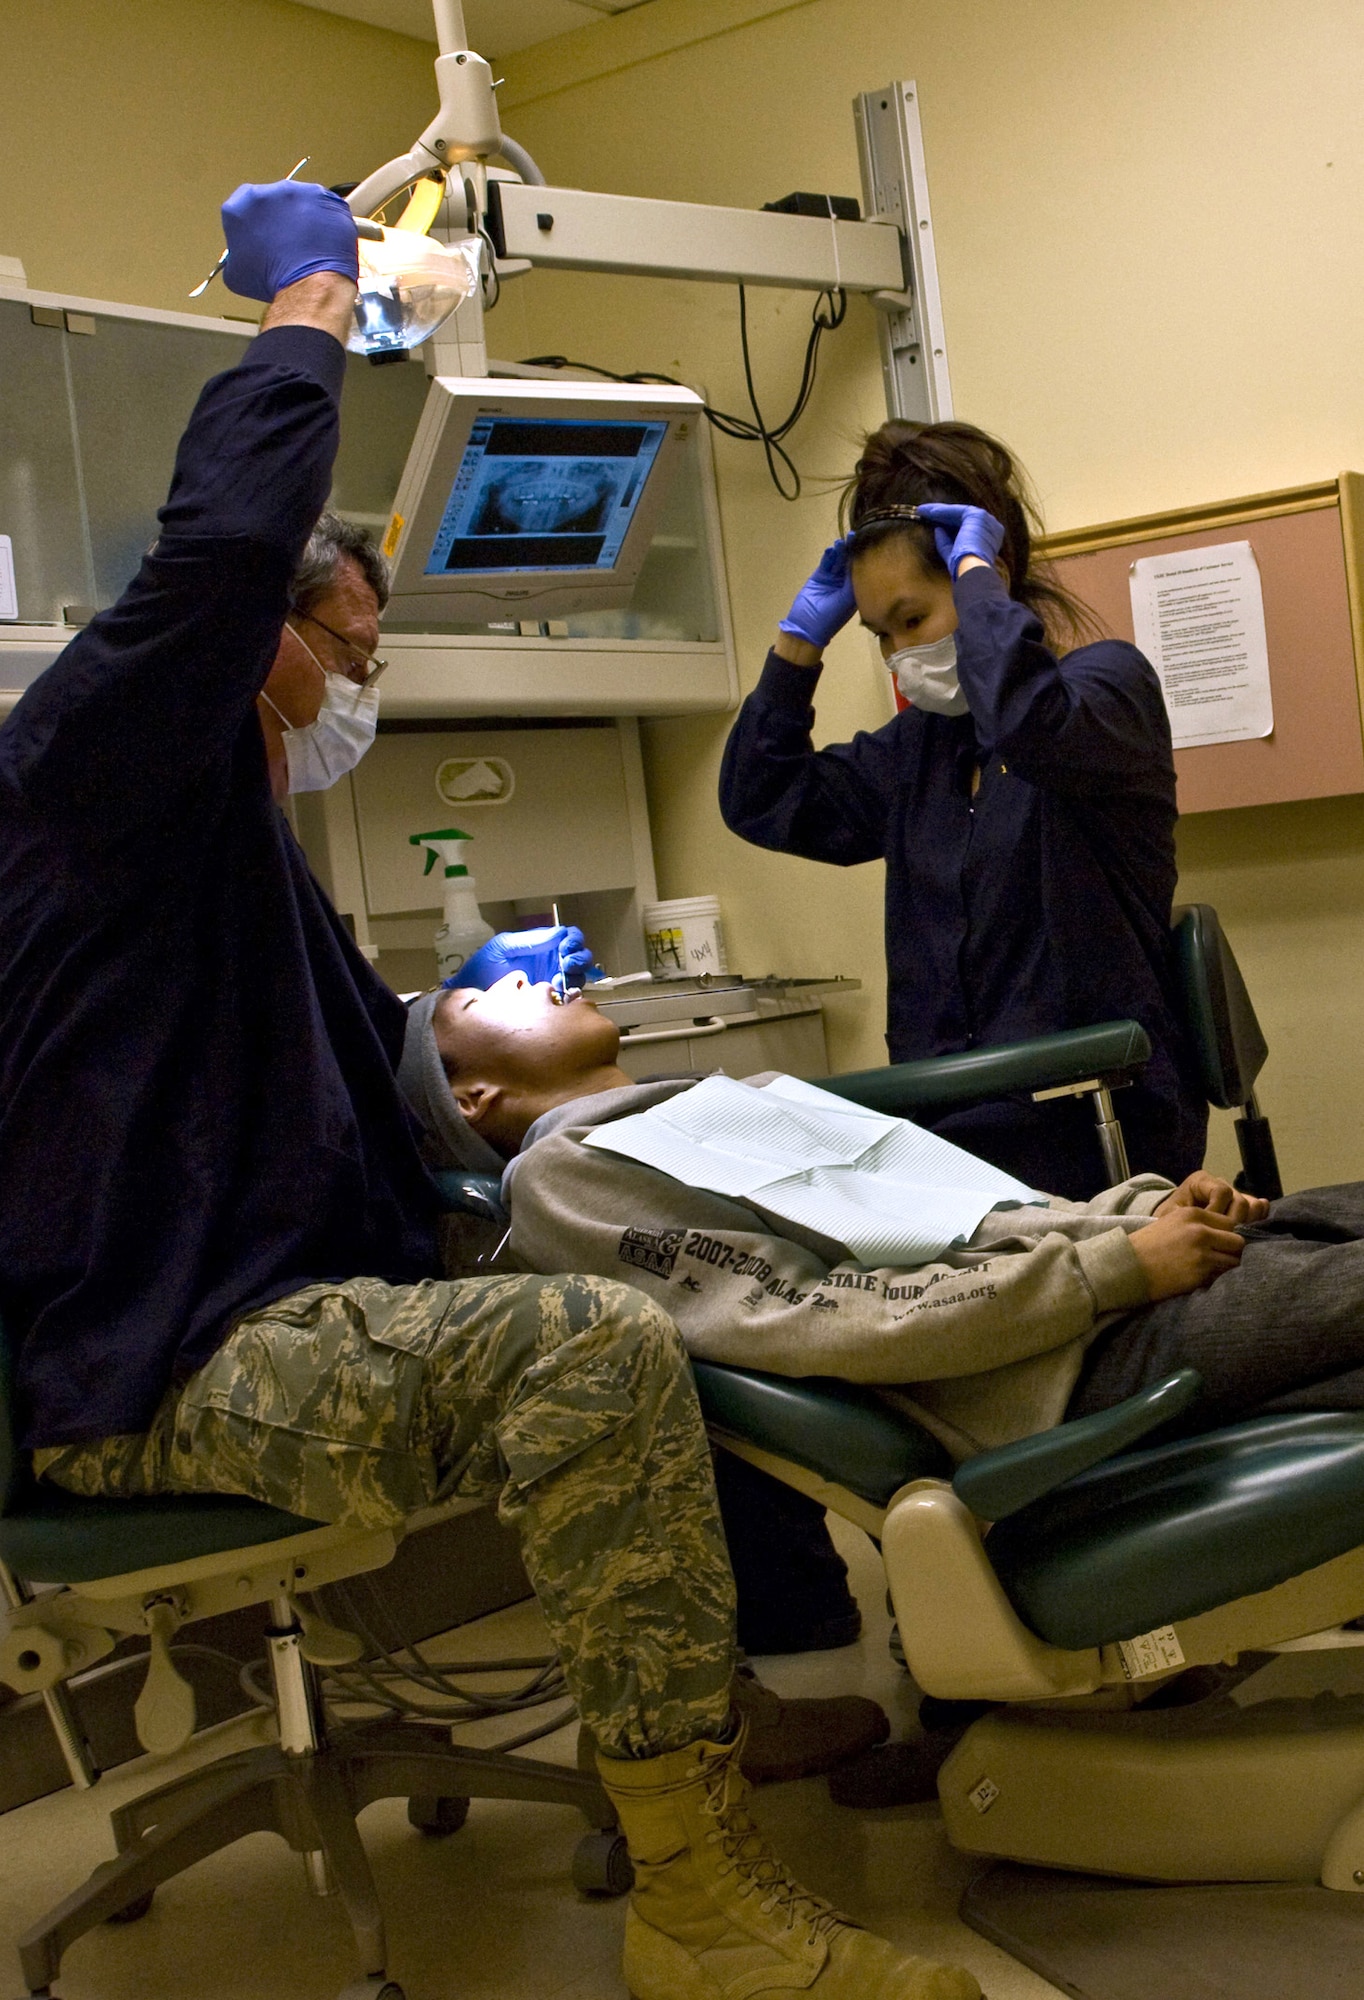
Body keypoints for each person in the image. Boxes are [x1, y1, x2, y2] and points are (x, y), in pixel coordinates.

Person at [0, 180, 977, 2000]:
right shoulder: (101, 752)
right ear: (260, 649)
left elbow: (279, 1099)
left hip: (271, 1301)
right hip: (156, 1363)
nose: (359, 697)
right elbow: (216, 557)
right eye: (353, 662)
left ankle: (695, 1724)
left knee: (659, 1278)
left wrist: (454, 1077)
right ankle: (697, 1914)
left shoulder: (221, 854)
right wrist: (304, 299)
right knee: (584, 1357)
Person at [415, 974, 1364, 1456]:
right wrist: (1115, 1269)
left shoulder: (710, 1102)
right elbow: (821, 1313)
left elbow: (986, 1216)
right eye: (480, 996)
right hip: (1067, 1358)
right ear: (473, 1097)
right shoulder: (565, 1179)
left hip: (1115, 1291)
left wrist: (1152, 1208)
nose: (529, 979)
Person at [719, 419, 1207, 1202]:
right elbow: (762, 801)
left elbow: (1029, 721)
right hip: (945, 1152)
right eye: (879, 635)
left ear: (992, 580)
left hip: (1101, 1134)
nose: (897, 656)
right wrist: (797, 647)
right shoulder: (920, 750)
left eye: (912, 621)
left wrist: (979, 579)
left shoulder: (1108, 692)